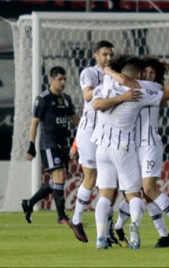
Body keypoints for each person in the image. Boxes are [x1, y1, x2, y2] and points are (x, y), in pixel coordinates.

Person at [91, 56, 169, 249]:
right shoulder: (140, 91)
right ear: (139, 75)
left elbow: (96, 104)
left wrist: (110, 71)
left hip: (101, 147)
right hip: (123, 148)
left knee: (105, 196)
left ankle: (101, 238)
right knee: (134, 195)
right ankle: (135, 232)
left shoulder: (107, 81)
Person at [113, 57, 169, 248]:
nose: (148, 76)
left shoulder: (154, 88)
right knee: (140, 194)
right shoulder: (136, 87)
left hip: (150, 145)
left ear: (157, 76)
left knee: (148, 189)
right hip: (133, 146)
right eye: (145, 72)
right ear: (139, 73)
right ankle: (164, 237)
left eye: (152, 73)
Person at [68, 40, 115, 243]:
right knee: (91, 177)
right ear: (96, 55)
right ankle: (77, 219)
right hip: (89, 131)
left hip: (108, 131)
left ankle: (107, 227)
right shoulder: (88, 73)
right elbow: (87, 95)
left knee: (111, 180)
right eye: (105, 54)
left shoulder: (116, 73)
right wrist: (106, 83)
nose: (108, 58)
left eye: (111, 54)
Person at [21, 66, 80, 225]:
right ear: (51, 80)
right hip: (48, 144)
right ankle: (61, 217)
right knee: (59, 176)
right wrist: (31, 145)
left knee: (57, 180)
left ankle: (29, 203)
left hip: (63, 145)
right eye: (59, 79)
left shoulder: (66, 98)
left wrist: (86, 129)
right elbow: (34, 123)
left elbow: (74, 119)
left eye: (64, 79)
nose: (63, 82)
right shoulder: (43, 98)